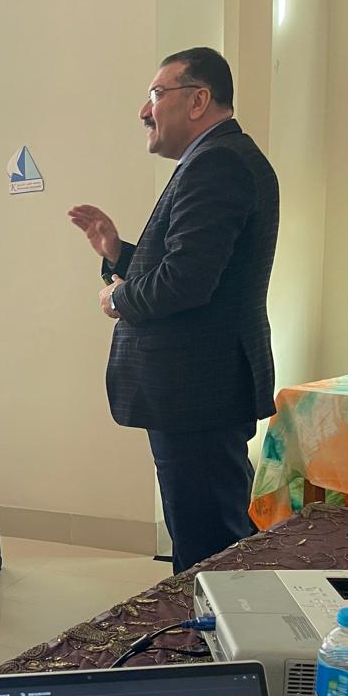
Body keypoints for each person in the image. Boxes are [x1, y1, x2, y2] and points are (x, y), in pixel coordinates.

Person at [67, 47, 278, 574]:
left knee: (207, 544)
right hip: (203, 389)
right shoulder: (219, 158)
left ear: (198, 100)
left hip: (197, 392)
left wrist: (116, 297)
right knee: (207, 532)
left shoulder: (217, 163)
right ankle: (207, 619)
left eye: (156, 94)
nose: (145, 110)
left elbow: (185, 282)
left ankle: (208, 625)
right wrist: (118, 254)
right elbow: (197, 268)